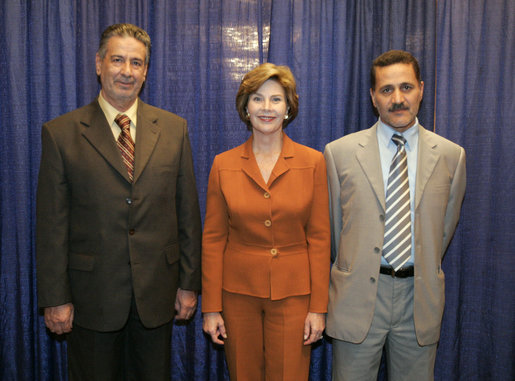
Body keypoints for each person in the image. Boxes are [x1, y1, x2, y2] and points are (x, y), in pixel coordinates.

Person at [36, 23, 202, 381]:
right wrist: (55, 297)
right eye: (118, 60)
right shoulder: (61, 133)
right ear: (99, 64)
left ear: (146, 70)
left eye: (137, 63)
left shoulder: (174, 130)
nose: (127, 71)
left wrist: (189, 283)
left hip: (156, 297)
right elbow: (51, 226)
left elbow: (187, 212)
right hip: (89, 300)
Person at [324, 50, 466, 380]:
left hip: (419, 300)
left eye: (406, 87)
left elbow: (443, 230)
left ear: (421, 89)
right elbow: (335, 228)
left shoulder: (451, 156)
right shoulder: (339, 154)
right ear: (373, 97)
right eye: (387, 90)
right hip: (356, 297)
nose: (398, 98)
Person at [202, 63, 330, 381]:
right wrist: (211, 307)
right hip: (237, 295)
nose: (267, 108)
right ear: (245, 107)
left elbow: (320, 238)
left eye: (276, 99)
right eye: (257, 99)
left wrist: (319, 307)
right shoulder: (223, 164)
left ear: (288, 107)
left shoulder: (313, 162)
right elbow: (214, 239)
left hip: (295, 294)